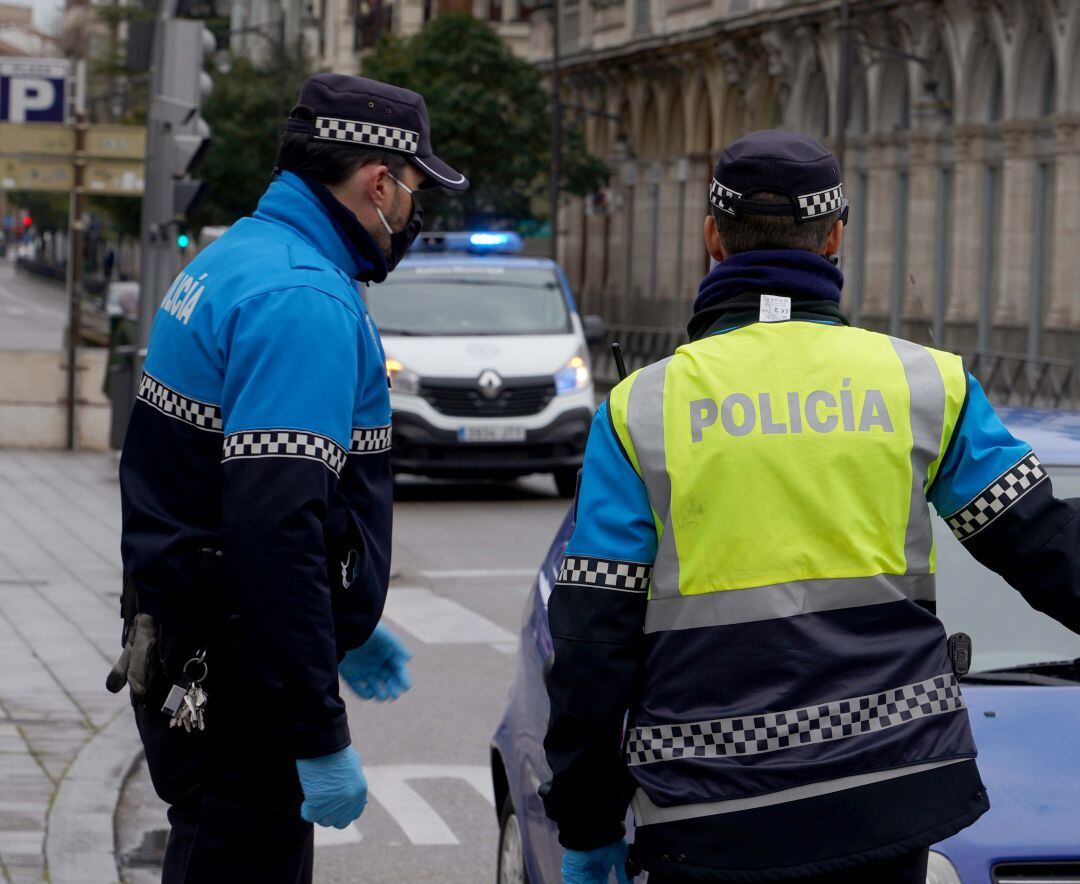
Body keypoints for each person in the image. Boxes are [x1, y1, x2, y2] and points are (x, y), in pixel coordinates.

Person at [541, 130, 1080, 883]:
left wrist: (588, 819)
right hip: (888, 793)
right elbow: (1050, 549)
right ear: (834, 237)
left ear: (711, 238)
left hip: (710, 812)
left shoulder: (641, 410)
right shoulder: (925, 385)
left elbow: (592, 640)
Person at [107, 74, 468, 884]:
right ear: (378, 182)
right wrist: (318, 728)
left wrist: (344, 614)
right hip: (242, 684)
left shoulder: (237, 257)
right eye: (413, 188)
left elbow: (209, 483)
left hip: (192, 644)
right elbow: (274, 528)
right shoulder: (302, 298)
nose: (412, 210)